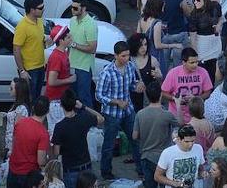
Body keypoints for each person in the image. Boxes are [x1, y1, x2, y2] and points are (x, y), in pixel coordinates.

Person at [97, 40, 144, 180]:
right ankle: (106, 173)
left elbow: (130, 84)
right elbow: (99, 95)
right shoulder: (107, 72)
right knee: (109, 144)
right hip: (112, 114)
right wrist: (117, 102)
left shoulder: (130, 66)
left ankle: (141, 168)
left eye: (128, 55)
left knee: (135, 139)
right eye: (123, 56)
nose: (126, 58)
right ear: (115, 56)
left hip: (128, 110)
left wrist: (137, 86)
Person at [51, 89, 105, 188]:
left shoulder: (59, 127)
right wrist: (83, 107)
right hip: (86, 165)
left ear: (61, 105)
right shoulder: (84, 118)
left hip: (70, 168)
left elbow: (56, 152)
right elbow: (101, 118)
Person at [134, 82, 179, 188]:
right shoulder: (167, 115)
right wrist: (178, 104)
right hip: (163, 158)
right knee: (165, 184)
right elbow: (181, 123)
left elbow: (134, 136)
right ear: (160, 95)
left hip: (146, 157)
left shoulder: (140, 114)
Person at [8, 97, 52, 188]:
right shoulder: (43, 133)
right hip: (29, 175)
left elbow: (13, 144)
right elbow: (41, 161)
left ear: (33, 108)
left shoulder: (20, 123)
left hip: (13, 170)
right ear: (47, 112)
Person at [15, 0, 49, 100]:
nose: (43, 10)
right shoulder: (22, 26)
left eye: (43, 7)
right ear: (32, 10)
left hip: (40, 67)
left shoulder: (39, 21)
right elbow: (16, 50)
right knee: (29, 99)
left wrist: (46, 41)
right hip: (29, 70)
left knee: (37, 96)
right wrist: (22, 71)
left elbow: (37, 40)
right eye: (40, 8)